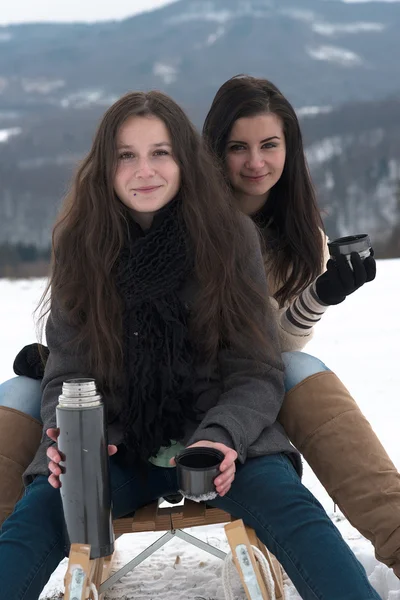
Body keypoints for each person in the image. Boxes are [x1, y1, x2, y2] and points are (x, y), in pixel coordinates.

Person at [0, 90, 382, 600]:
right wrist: (69, 439)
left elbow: (257, 368)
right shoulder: (81, 248)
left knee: (297, 515)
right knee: (33, 522)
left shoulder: (230, 239)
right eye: (126, 155)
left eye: (160, 152)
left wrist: (223, 436)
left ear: (184, 159)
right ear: (105, 168)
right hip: (114, 449)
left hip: (222, 448)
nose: (145, 170)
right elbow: (68, 372)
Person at [202, 74, 400, 575]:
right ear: (214, 151)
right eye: (238, 147)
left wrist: (320, 295)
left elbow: (273, 347)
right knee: (296, 365)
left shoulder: (302, 234)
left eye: (270, 145)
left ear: (289, 148)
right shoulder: (192, 222)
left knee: (299, 364)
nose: (256, 162)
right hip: (189, 387)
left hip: (255, 383)